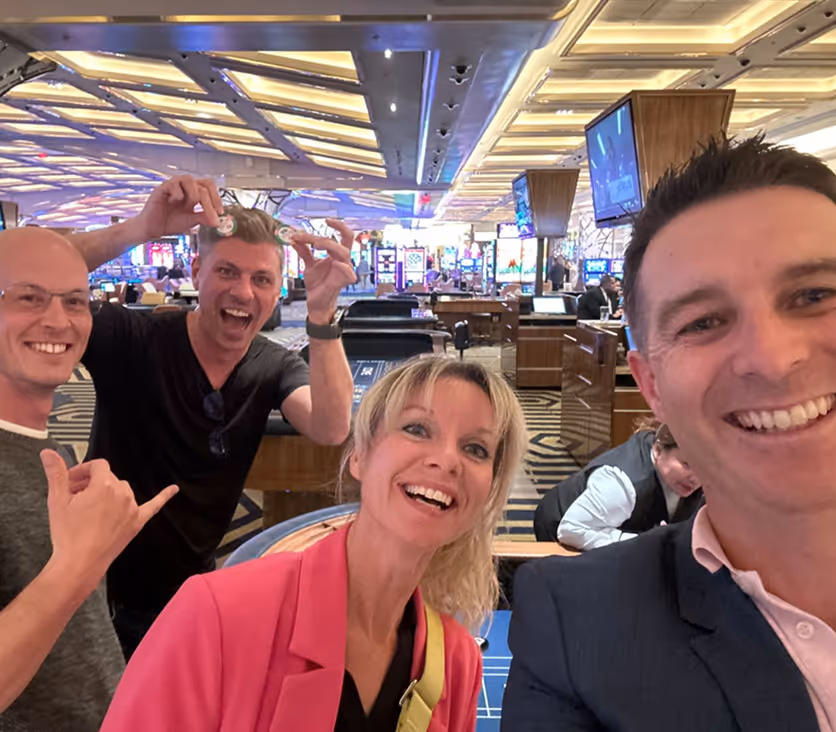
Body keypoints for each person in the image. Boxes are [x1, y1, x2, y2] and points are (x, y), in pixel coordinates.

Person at [502, 135, 836, 731]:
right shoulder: (575, 627)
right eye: (703, 321)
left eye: (815, 295)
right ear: (651, 386)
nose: (772, 356)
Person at [100, 356, 528, 731]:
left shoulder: (457, 661)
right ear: (359, 455)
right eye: (417, 428)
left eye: (475, 448)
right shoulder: (215, 615)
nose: (447, 459)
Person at [67, 179, 355, 658]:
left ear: (278, 288)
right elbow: (24, 277)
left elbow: (330, 426)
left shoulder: (271, 365)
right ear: (197, 270)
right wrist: (140, 228)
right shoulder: (131, 338)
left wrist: (322, 316)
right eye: (227, 271)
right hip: (93, 593)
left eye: (261, 279)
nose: (243, 292)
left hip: (191, 589)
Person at [0, 228, 176, 730]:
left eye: (76, 302)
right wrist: (78, 565)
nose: (57, 320)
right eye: (29, 297)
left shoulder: (47, 449)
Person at [533, 421, 703, 549]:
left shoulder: (706, 476)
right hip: (561, 528)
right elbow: (571, 530)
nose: (696, 478)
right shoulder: (622, 486)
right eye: (686, 464)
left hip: (621, 525)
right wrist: (643, 542)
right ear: (658, 450)